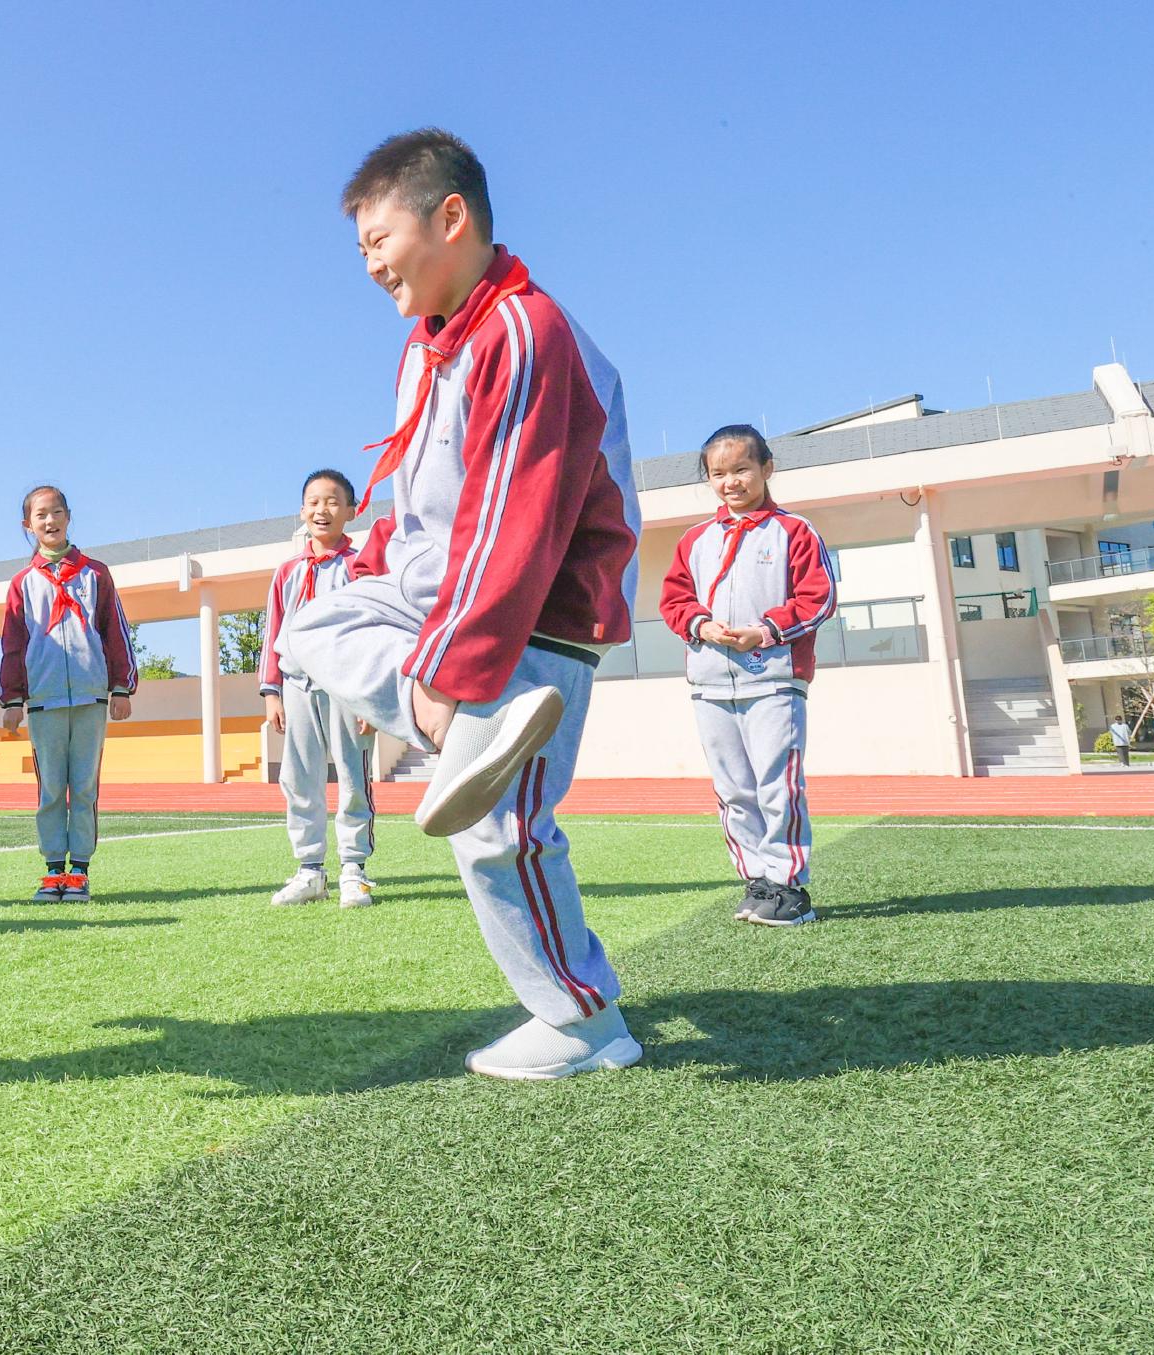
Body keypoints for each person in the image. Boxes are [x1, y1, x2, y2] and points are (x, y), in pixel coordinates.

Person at [277, 128, 643, 1080]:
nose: (367, 263)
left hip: (530, 612)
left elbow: (511, 523)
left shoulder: (526, 328)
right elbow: (421, 501)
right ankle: (449, 719)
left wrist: (455, 663)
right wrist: (383, 584)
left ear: (451, 217)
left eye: (376, 239)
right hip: (442, 600)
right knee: (311, 617)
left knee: (503, 830)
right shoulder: (424, 350)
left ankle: (585, 1020)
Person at [660, 425, 835, 927]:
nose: (730, 482)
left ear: (766, 468)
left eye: (741, 469)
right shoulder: (695, 539)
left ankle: (788, 886)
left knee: (777, 783)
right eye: (718, 473)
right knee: (733, 788)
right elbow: (674, 600)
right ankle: (756, 879)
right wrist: (700, 624)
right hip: (710, 682)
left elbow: (818, 599)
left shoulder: (794, 531)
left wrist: (766, 631)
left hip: (775, 678)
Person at [0, 485, 135, 903]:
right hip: (43, 699)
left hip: (92, 696)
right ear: (28, 525)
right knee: (51, 787)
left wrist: (120, 686)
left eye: (56, 512)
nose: (49, 521)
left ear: (69, 516)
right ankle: (53, 868)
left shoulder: (96, 574)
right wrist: (12, 699)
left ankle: (80, 870)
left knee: (85, 785)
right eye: (40, 515)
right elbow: (13, 643)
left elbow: (115, 631)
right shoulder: (22, 583)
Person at [261, 468, 377, 907]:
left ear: (351, 510)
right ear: (302, 511)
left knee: (352, 774)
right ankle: (310, 868)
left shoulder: (362, 566)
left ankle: (354, 867)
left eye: (332, 501)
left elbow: (374, 630)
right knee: (299, 777)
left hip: (348, 684)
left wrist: (373, 696)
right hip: (297, 684)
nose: (321, 510)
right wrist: (271, 690)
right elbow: (275, 628)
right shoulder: (288, 571)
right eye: (313, 501)